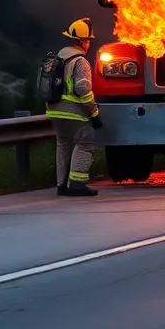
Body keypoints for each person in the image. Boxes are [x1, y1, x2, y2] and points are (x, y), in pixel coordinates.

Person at [46, 18, 103, 196]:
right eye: (88, 41)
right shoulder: (80, 62)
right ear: (82, 41)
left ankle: (61, 185)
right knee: (85, 142)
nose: (89, 44)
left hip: (54, 110)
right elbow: (83, 88)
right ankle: (77, 184)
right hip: (74, 113)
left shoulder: (59, 57)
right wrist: (94, 114)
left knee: (63, 144)